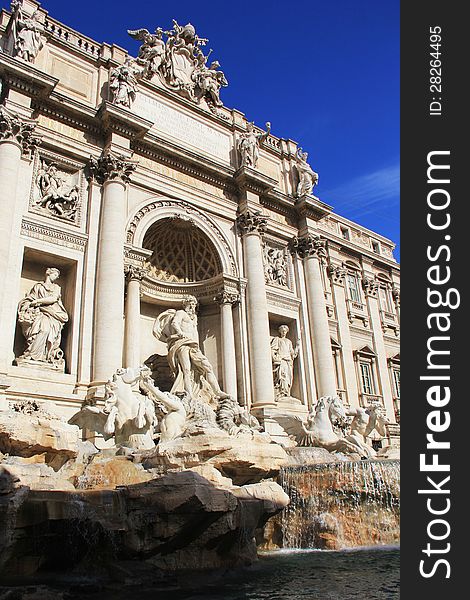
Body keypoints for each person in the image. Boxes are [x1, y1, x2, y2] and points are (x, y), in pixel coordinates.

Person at [153, 295, 230, 401]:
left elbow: (194, 333)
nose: (192, 306)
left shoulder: (194, 318)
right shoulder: (181, 313)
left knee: (207, 366)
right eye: (190, 304)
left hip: (193, 345)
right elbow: (175, 323)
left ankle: (217, 391)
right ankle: (189, 394)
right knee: (186, 369)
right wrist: (180, 333)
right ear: (185, 305)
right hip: (182, 343)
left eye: (194, 304)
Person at [17, 268, 68, 367]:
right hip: (39, 312)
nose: (57, 277)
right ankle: (32, 354)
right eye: (55, 275)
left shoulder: (56, 287)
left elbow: (53, 298)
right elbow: (30, 298)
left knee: (45, 330)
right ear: (48, 274)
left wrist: (37, 302)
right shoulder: (38, 286)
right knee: (38, 328)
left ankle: (40, 356)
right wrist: (27, 305)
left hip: (52, 313)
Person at [270, 325, 299, 399]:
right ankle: (281, 392)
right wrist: (275, 358)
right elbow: (273, 350)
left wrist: (297, 346)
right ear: (279, 331)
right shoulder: (277, 339)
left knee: (288, 378)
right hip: (282, 360)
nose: (283, 332)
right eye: (282, 330)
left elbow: (293, 354)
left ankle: (286, 392)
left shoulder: (289, 341)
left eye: (285, 331)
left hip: (288, 361)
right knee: (282, 377)